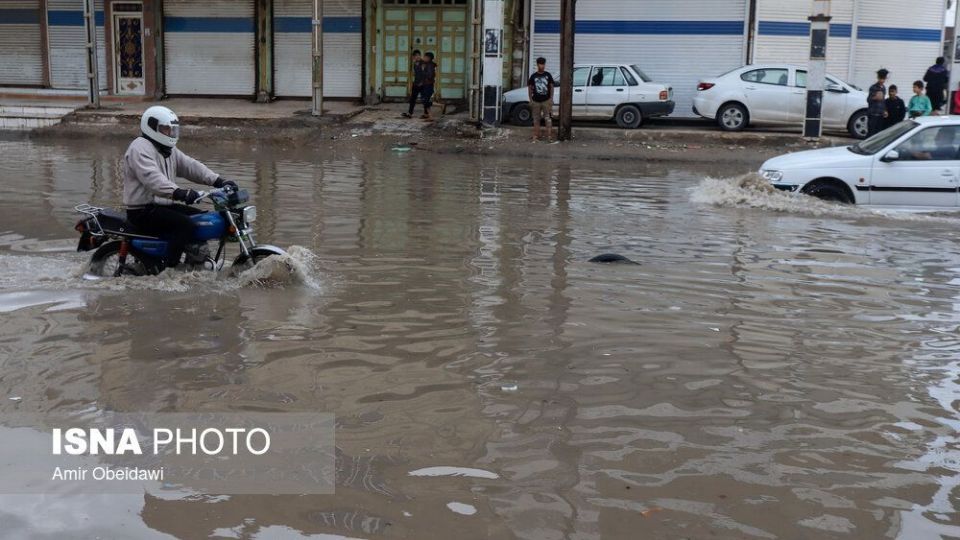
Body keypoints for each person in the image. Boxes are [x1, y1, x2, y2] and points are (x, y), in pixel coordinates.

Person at [122, 106, 237, 270]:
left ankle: (195, 261)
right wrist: (179, 192)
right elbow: (152, 179)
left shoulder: (167, 149)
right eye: (166, 129)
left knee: (202, 218)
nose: (170, 133)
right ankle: (170, 268)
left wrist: (218, 181)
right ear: (152, 127)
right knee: (185, 225)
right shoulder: (139, 148)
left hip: (162, 206)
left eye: (172, 129)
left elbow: (190, 166)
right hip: (142, 211)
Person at [527, 57, 556, 142]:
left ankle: (549, 136)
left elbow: (551, 87)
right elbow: (529, 88)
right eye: (540, 64)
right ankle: (536, 136)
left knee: (548, 119)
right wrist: (530, 100)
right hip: (536, 101)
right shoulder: (533, 76)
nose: (542, 66)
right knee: (536, 119)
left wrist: (551, 99)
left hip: (546, 101)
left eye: (543, 64)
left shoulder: (548, 75)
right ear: (537, 65)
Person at [867, 69, 888, 137]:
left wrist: (885, 110)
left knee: (878, 135)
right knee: (871, 134)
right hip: (873, 114)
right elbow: (868, 100)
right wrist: (875, 98)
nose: (882, 80)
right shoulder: (873, 87)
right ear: (878, 77)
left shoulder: (884, 88)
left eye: (883, 78)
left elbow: (883, 101)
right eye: (881, 78)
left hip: (880, 114)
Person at [401, 50, 422, 119]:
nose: (417, 57)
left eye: (418, 55)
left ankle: (440, 106)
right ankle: (410, 113)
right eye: (416, 56)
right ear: (413, 57)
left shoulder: (423, 63)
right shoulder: (415, 63)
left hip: (422, 84)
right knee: (412, 99)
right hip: (416, 84)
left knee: (425, 100)